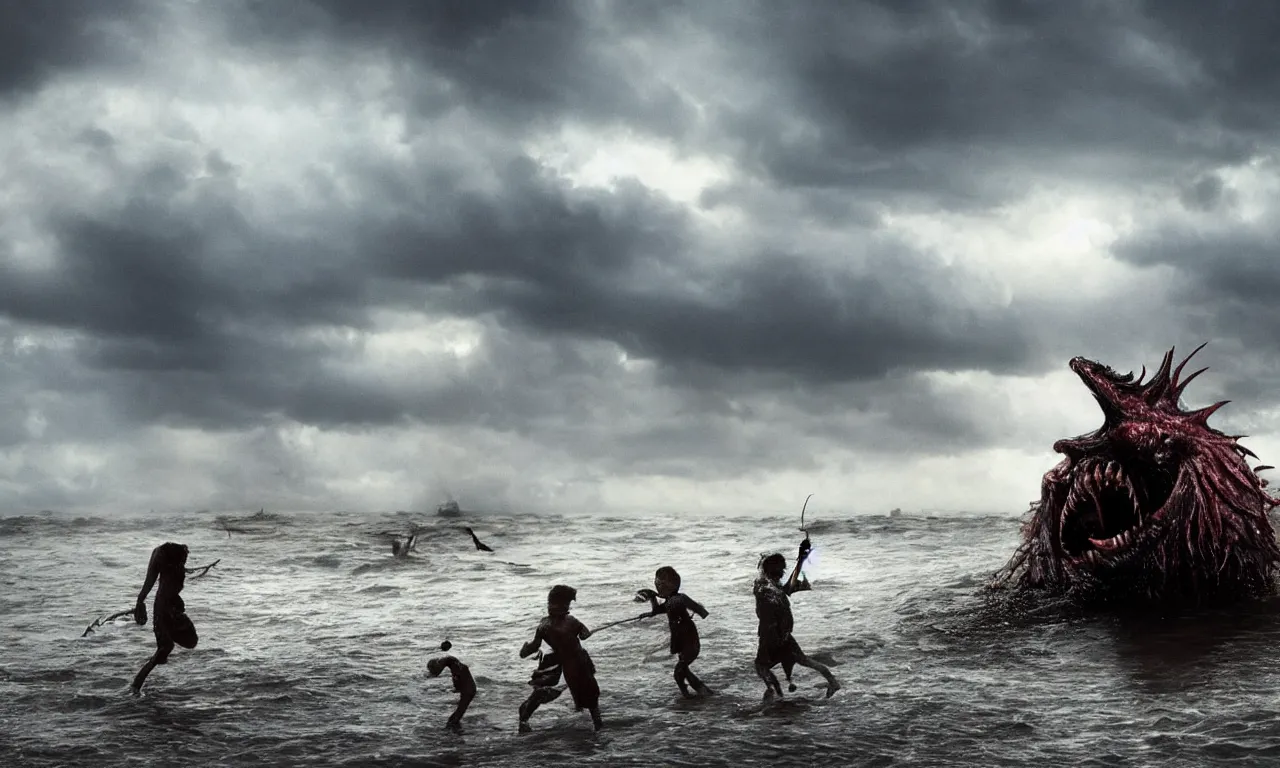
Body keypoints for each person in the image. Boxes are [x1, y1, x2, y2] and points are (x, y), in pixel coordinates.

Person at [753, 538, 840, 701]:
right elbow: (789, 587)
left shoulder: (763, 586)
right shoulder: (775, 588)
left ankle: (773, 690)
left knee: (761, 666)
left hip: (770, 633)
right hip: (785, 633)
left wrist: (801, 557)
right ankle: (832, 681)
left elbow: (776, 598)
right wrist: (801, 558)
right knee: (803, 660)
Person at [518, 585, 603, 730]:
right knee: (591, 699)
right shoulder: (572, 621)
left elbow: (534, 646)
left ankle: (524, 722)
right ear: (566, 605)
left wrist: (525, 650)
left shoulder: (543, 625)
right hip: (579, 663)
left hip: (561, 664)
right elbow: (584, 635)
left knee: (543, 693)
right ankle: (597, 727)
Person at [131, 542, 199, 693]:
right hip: (165, 609)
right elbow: (152, 581)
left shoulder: (172, 568)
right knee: (165, 648)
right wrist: (140, 600)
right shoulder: (171, 566)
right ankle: (135, 687)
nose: (185, 560)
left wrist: (140, 600)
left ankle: (135, 686)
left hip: (167, 608)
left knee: (167, 647)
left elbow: (153, 581)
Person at [636, 566, 712, 698]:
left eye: (660, 584)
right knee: (683, 671)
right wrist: (654, 599)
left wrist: (654, 598)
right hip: (684, 641)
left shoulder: (676, 600)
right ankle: (699, 694)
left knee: (679, 673)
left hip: (688, 641)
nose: (658, 587)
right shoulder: (675, 600)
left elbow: (662, 609)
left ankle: (691, 696)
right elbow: (659, 610)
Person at [426, 648, 477, 731]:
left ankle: (454, 733)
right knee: (457, 715)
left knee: (455, 718)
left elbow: (438, 672)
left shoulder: (452, 665)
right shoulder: (452, 661)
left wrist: (431, 675)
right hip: (469, 689)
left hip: (468, 691)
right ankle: (456, 731)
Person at [517, 649, 566, 732]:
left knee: (535, 698)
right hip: (550, 683)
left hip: (553, 686)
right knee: (523, 708)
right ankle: (524, 725)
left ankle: (524, 725)